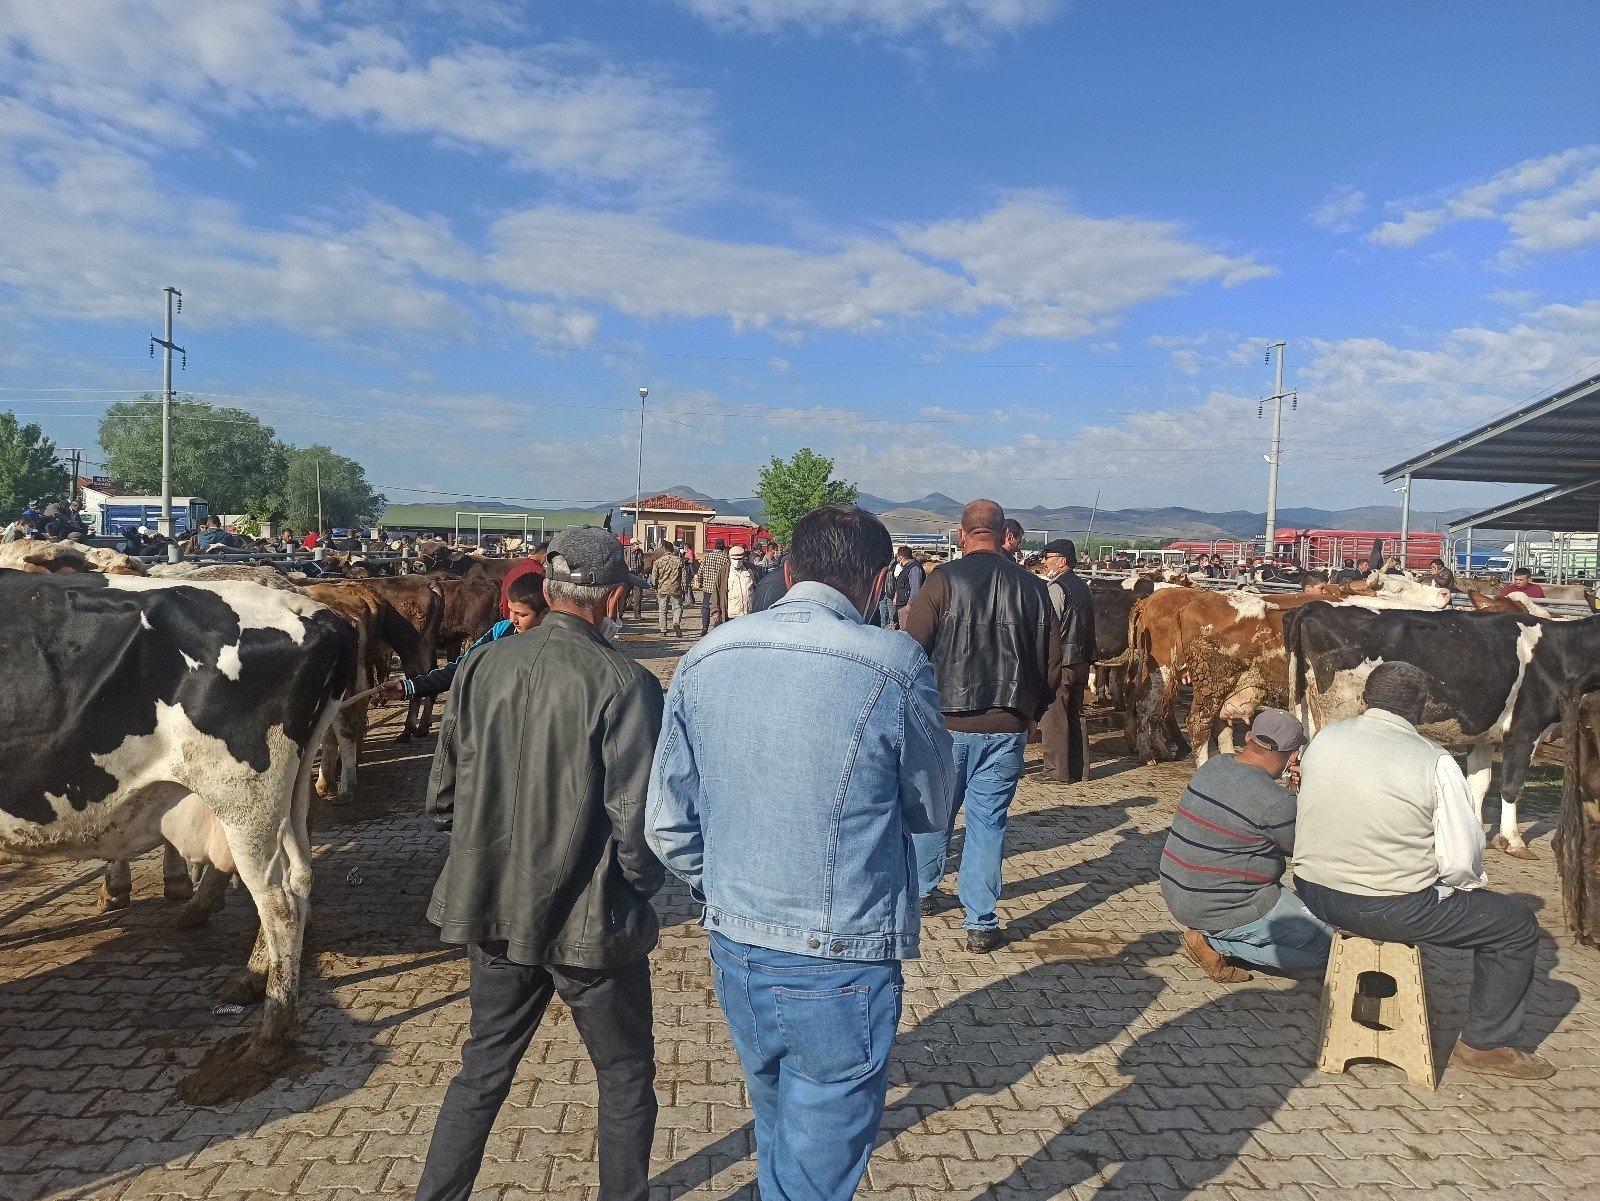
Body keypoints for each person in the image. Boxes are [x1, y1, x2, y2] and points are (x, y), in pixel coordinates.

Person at [647, 504, 953, 1201]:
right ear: (879, 583)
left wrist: (725, 881)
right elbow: (932, 805)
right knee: (813, 1169)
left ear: (788, 569)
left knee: (780, 1127)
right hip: (839, 955)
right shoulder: (894, 664)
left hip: (737, 945)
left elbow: (666, 824)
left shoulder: (706, 656)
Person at [415, 527, 665, 1201]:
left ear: (548, 591)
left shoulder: (479, 664)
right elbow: (637, 828)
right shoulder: (627, 682)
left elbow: (441, 798)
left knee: (482, 1069)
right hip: (590, 925)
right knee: (623, 1078)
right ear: (612, 598)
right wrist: (643, 891)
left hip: (491, 907)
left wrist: (481, 848)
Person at [1293, 662, 1555, 1080]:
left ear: (1364, 701)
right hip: (1384, 905)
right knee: (1516, 926)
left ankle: (1370, 990)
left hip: (1312, 890)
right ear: (1423, 711)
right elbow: (1459, 860)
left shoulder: (1324, 738)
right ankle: (1484, 1045)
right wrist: (1454, 890)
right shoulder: (1434, 762)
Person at [901, 499, 1061, 953]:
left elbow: (913, 653)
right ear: (1002, 533)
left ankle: (921, 892)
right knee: (988, 823)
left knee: (934, 813)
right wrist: (1032, 712)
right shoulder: (1033, 587)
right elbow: (1052, 662)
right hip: (1008, 722)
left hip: (945, 723)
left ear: (962, 533)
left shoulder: (941, 582)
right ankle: (980, 920)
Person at [1161, 710, 1332, 982]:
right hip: (1230, 905)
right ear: (1292, 757)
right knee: (1331, 951)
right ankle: (1216, 945)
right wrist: (1308, 789)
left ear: (1249, 737)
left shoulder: (1214, 765)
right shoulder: (1275, 802)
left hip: (1180, 893)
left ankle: (1217, 936)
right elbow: (1307, 847)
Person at [381, 573, 549, 702]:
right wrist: (409, 687)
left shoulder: (552, 644)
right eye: (511, 610)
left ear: (544, 613)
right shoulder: (501, 632)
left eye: (522, 614)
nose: (513, 619)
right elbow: (463, 666)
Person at [1038, 538, 1095, 785]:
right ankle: (1080, 768)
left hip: (1062, 660)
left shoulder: (1056, 589)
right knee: (1076, 713)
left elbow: (1048, 626)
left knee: (1054, 714)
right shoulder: (1084, 587)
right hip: (1082, 659)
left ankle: (1055, 770)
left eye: (1047, 557)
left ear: (1061, 561)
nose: (1043, 561)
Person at [651, 541, 687, 637]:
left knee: (662, 610)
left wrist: (655, 585)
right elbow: (684, 576)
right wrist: (684, 586)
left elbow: (654, 576)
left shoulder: (658, 562)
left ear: (664, 549)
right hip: (675, 588)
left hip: (662, 588)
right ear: (672, 550)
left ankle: (663, 630)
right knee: (677, 608)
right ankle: (676, 623)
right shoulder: (678, 560)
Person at [697, 538, 730, 632]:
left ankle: (704, 627)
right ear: (723, 547)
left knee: (706, 606)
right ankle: (716, 627)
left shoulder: (708, 556)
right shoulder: (725, 558)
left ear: (715, 546)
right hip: (719, 588)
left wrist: (700, 581)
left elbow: (701, 570)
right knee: (718, 607)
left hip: (707, 587)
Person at [891, 545, 925, 627]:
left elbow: (916, 588)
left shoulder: (914, 568)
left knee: (907, 631)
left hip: (906, 605)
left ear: (900, 557)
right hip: (902, 603)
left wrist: (910, 604)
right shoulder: (906, 568)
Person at [725, 544, 756, 619]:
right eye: (734, 559)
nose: (737, 561)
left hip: (749, 613)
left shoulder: (751, 570)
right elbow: (717, 592)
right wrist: (715, 611)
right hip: (732, 615)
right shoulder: (724, 572)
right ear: (729, 558)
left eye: (739, 559)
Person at [624, 539, 647, 619]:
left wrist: (642, 572)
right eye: (637, 544)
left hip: (637, 576)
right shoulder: (626, 551)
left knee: (638, 596)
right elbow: (623, 562)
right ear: (633, 544)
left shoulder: (640, 552)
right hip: (628, 576)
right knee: (625, 595)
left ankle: (637, 615)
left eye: (638, 544)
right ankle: (620, 614)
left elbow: (642, 563)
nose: (638, 545)